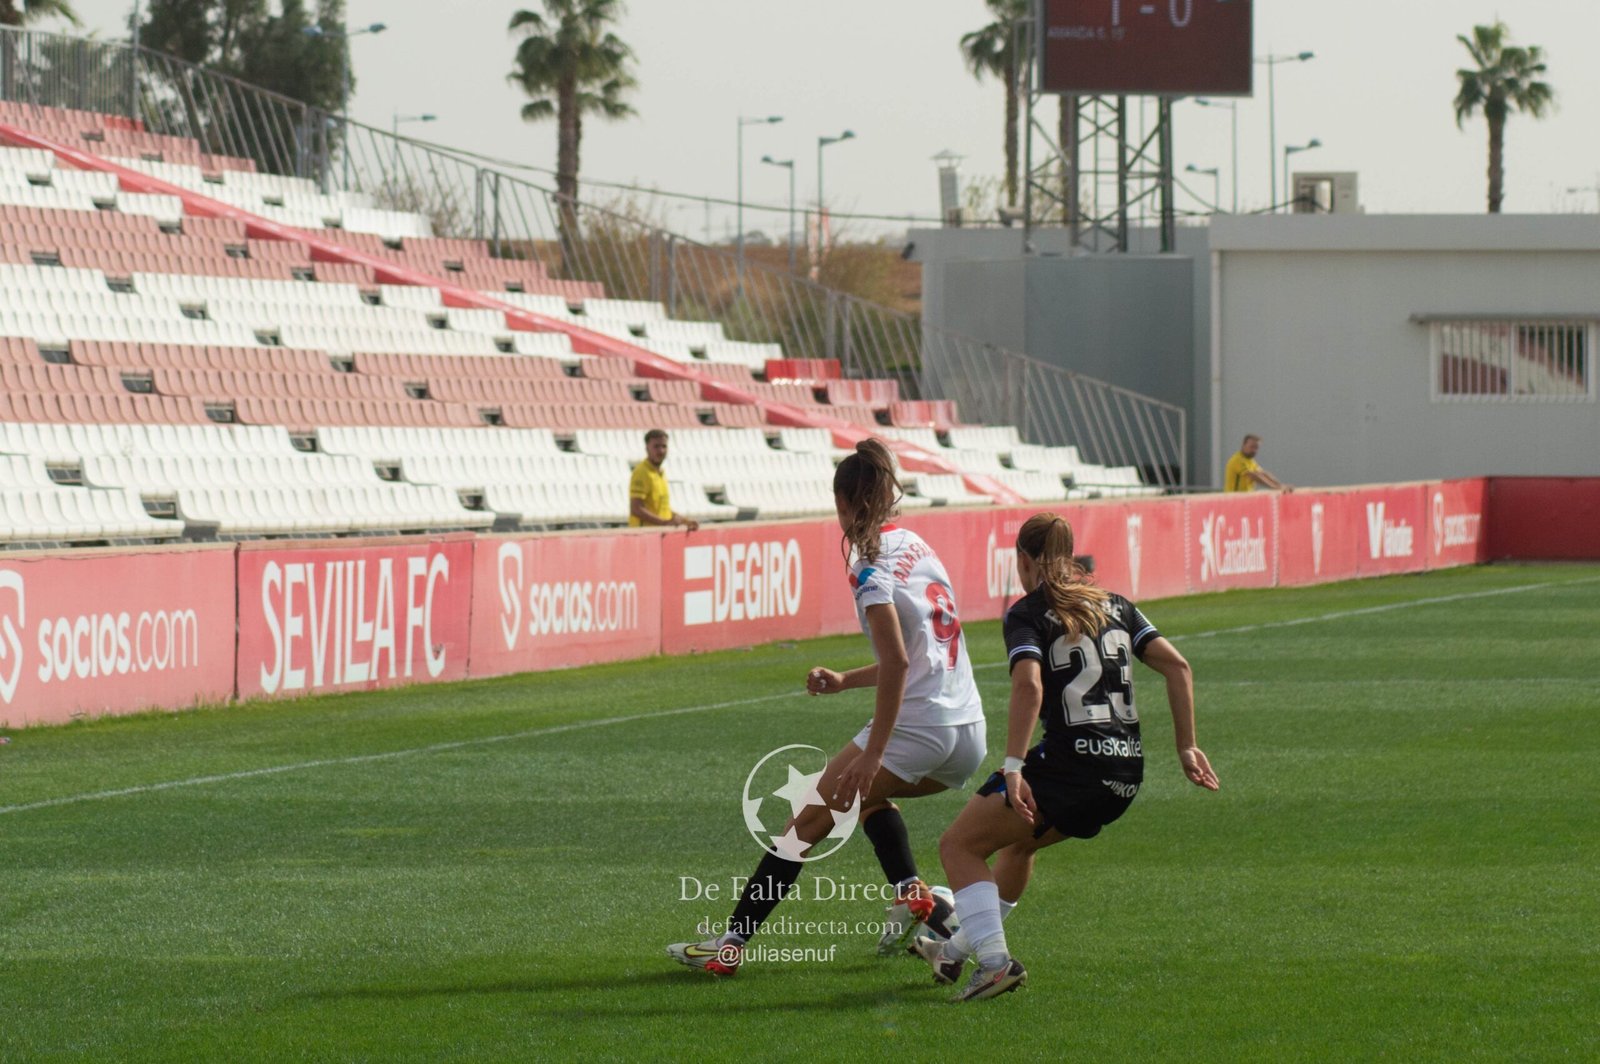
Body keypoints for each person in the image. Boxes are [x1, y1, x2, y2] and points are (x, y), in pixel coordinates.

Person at [667, 438, 986, 976]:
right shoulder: (917, 544)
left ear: (843, 505)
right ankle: (918, 899)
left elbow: (900, 664)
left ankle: (727, 950)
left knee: (800, 829)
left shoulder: (867, 566)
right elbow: (915, 654)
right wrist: (844, 682)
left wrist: (873, 750)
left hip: (919, 724)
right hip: (968, 729)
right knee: (866, 799)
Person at [921, 512, 1219, 1002]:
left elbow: (1029, 684)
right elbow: (1177, 666)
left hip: (1069, 768)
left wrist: (1014, 767)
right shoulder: (1117, 605)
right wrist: (1186, 745)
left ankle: (994, 965)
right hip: (1124, 773)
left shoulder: (1028, 612)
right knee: (1020, 846)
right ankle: (953, 951)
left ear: (1023, 559)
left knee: (959, 846)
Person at [629, 428, 698, 530]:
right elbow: (636, 508)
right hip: (645, 536)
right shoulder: (641, 472)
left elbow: (662, 510)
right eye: (656, 447)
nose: (661, 451)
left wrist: (684, 521)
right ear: (647, 448)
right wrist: (664, 523)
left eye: (664, 446)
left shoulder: (661, 473)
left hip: (658, 534)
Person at [1224, 433, 1292, 493]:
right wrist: (1275, 487)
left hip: (1246, 498)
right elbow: (1253, 476)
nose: (1254, 450)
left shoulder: (1250, 461)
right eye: (1252, 447)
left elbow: (1263, 473)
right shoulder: (1237, 460)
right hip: (1234, 499)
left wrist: (1280, 485)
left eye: (1256, 448)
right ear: (1243, 445)